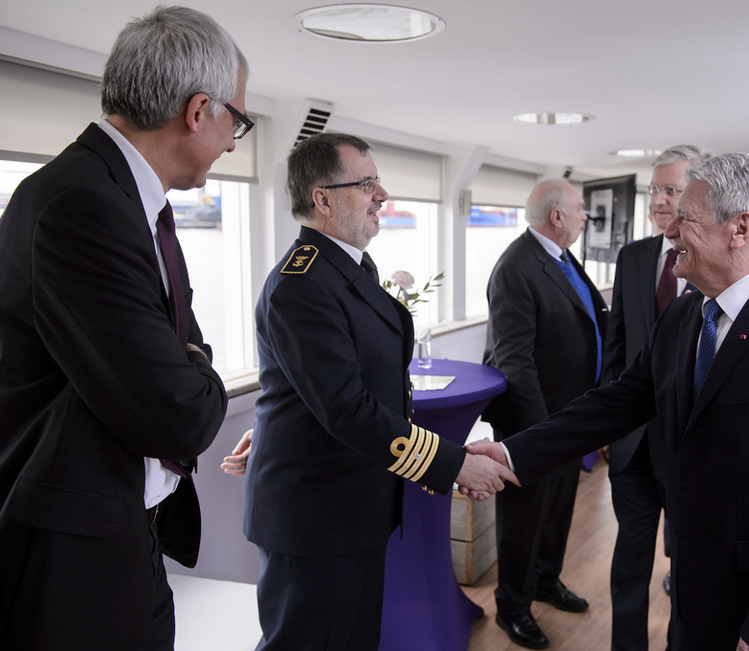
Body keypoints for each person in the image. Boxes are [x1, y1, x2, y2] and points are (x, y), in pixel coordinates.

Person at [470, 152, 749, 651]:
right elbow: (617, 402)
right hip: (693, 588)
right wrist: (513, 452)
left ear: (741, 228)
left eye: (686, 218)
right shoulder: (685, 316)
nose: (669, 230)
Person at [0, 6, 242, 649]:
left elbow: (183, 348)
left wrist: (189, 362)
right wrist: (197, 369)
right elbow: (178, 417)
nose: (235, 141)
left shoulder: (127, 199)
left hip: (122, 525)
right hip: (70, 546)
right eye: (235, 120)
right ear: (198, 111)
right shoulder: (81, 204)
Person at [240, 132, 515, 651]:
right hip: (315, 520)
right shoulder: (301, 282)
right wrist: (453, 464)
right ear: (322, 199)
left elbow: (331, 386)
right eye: (366, 184)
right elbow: (346, 406)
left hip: (355, 506)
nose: (382, 194)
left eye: (378, 182)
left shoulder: (347, 267)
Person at [481, 178, 607, 649]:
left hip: (569, 417)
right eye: (579, 211)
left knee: (556, 512)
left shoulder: (560, 255)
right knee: (524, 519)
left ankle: (544, 580)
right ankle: (512, 608)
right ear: (557, 216)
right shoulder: (516, 266)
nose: (584, 219)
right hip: (534, 424)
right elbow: (514, 359)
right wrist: (541, 434)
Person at [601, 144, 708, 651]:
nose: (659, 200)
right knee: (629, 564)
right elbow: (617, 345)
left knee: (688, 569)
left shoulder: (714, 260)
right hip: (633, 444)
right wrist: (606, 424)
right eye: (654, 189)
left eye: (672, 188)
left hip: (693, 445)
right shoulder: (634, 256)